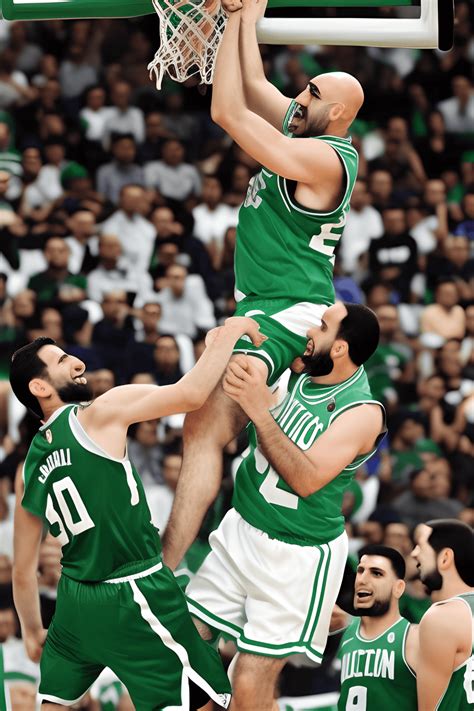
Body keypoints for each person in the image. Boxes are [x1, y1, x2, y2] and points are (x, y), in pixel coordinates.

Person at [163, 0, 365, 570]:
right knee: (203, 427)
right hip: (268, 305)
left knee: (202, 425)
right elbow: (252, 84)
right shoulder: (303, 128)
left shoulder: (327, 160)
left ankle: (167, 562)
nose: (300, 98)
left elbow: (227, 111)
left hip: (295, 311)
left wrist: (228, 21)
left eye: (314, 95)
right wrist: (247, 15)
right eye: (304, 89)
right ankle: (174, 561)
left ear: (341, 114)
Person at [9, 315, 264, 710]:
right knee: (209, 696)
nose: (78, 362)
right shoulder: (98, 412)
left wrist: (31, 632)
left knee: (55, 704)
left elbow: (22, 571)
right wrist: (230, 332)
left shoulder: (27, 470)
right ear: (39, 387)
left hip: (74, 603)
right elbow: (191, 394)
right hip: (132, 589)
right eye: (62, 361)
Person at [186, 301, 385, 711]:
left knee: (247, 686)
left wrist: (260, 408)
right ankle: (324, 616)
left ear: (342, 348)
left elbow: (307, 479)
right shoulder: (304, 367)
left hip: (296, 553)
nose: (312, 328)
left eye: (324, 325)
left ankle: (322, 613)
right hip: (243, 528)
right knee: (185, 646)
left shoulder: (361, 412)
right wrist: (229, 341)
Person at [337, 545, 418, 710]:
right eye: (360, 571)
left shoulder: (414, 637)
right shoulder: (343, 630)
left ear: (398, 588)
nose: (362, 579)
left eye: (376, 573)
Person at [411, 519, 474, 711]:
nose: (414, 553)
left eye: (421, 546)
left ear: (445, 557)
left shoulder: (442, 617)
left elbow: (430, 708)